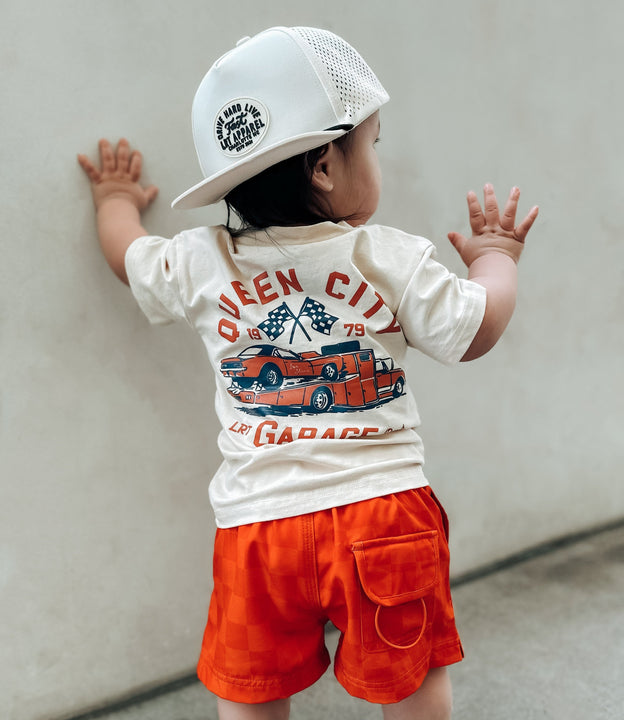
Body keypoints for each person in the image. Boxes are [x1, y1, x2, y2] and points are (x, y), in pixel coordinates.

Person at [77, 26, 538, 720]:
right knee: (411, 674)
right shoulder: (387, 257)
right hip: (382, 513)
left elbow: (129, 256)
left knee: (252, 689)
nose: (377, 157)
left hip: (258, 528)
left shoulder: (201, 261)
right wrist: (496, 257)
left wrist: (113, 200)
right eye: (373, 142)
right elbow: (475, 330)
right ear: (324, 165)